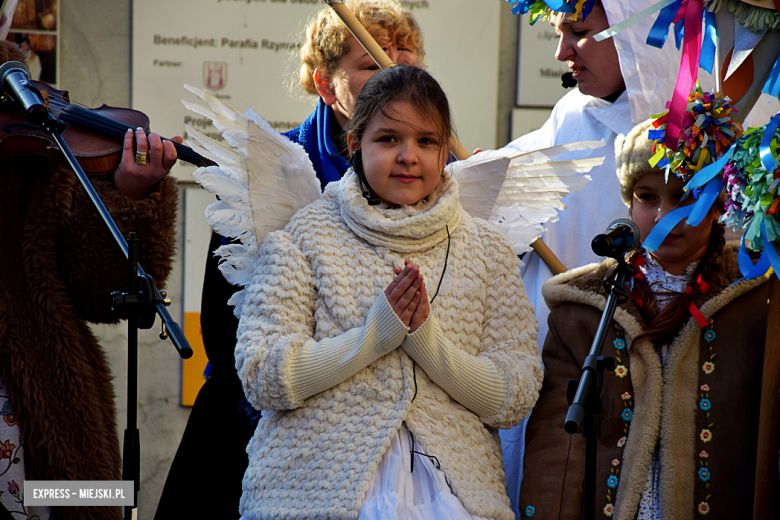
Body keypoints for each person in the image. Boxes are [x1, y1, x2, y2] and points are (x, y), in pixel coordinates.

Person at [235, 65, 542, 520]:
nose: (408, 156)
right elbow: (260, 373)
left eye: (426, 141)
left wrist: (429, 347)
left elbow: (516, 393)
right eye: (388, 139)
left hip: (457, 489)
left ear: (444, 151)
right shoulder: (305, 234)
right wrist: (371, 340)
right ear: (355, 143)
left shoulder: (486, 248)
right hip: (315, 486)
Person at [154, 2, 424, 518]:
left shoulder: (440, 180)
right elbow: (225, 331)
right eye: (371, 62)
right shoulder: (266, 176)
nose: (395, 73)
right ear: (326, 85)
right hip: (266, 429)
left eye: (406, 56)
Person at [518, 118, 773, 519]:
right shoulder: (583, 308)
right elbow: (556, 448)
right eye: (647, 197)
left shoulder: (759, 297)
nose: (662, 215)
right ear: (629, 203)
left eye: (684, 197)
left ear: (718, 203)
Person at [500, 2, 683, 512]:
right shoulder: (569, 117)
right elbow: (523, 178)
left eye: (579, 33)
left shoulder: (698, 126)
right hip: (571, 369)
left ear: (636, 31)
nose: (563, 53)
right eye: (560, 35)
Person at [0, 39, 179, 520]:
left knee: (75, 502)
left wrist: (130, 197)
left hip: (35, 422)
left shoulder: (30, 131)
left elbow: (103, 295)